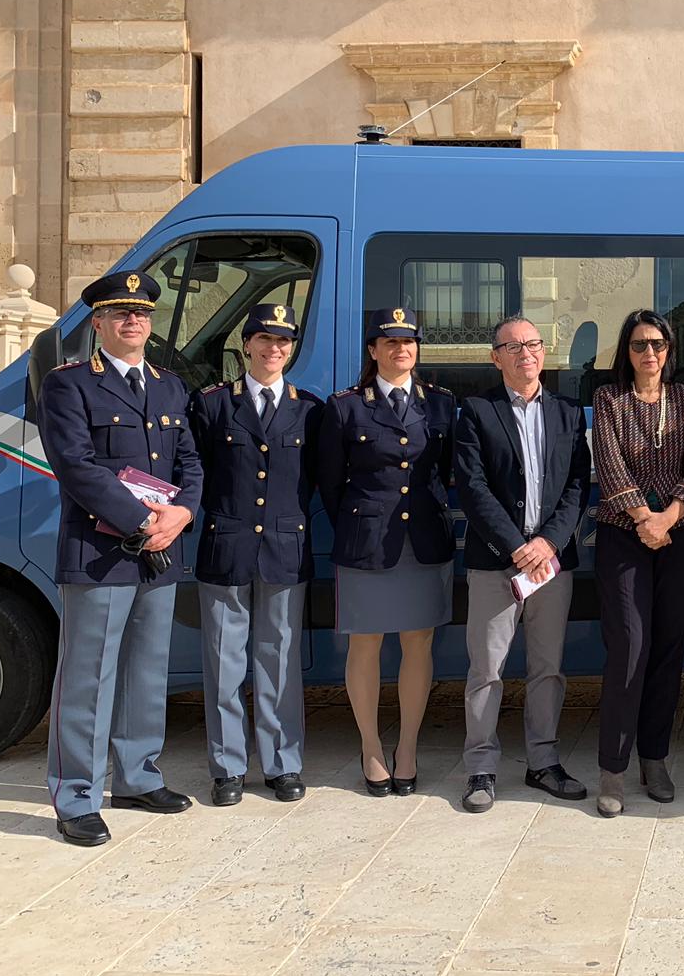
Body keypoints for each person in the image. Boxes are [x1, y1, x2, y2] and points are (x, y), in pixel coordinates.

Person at [39, 269, 203, 846]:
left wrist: (181, 514)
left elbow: (190, 462)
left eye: (141, 313)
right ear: (99, 323)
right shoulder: (69, 385)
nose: (133, 320)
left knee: (145, 671)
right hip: (100, 552)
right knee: (87, 677)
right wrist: (143, 520)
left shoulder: (170, 386)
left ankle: (138, 776)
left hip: (159, 551)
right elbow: (75, 465)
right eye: (120, 312)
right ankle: (76, 795)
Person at [453, 314, 592, 813]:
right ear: (496, 358)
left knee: (548, 668)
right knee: (486, 669)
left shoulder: (568, 413)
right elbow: (472, 487)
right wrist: (517, 547)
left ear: (543, 352)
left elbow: (577, 485)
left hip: (551, 563)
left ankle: (543, 762)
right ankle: (480, 768)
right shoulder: (476, 411)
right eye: (512, 347)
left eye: (532, 344)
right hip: (497, 562)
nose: (525, 353)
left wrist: (548, 542)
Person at [318, 306, 456, 798]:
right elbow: (330, 485)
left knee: (419, 642)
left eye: (409, 342)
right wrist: (363, 524)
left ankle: (409, 748)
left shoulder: (440, 403)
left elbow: (444, 472)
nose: (402, 350)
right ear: (373, 350)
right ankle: (372, 747)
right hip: (368, 542)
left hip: (424, 541)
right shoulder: (345, 407)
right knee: (366, 644)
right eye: (391, 342)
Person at [189, 304, 323, 807]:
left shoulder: (309, 409)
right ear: (246, 345)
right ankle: (227, 768)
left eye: (283, 341)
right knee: (223, 664)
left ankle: (282, 764)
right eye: (264, 339)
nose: (274, 348)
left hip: (285, 549)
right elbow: (196, 474)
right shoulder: (213, 404)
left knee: (279, 662)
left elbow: (316, 480)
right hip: (227, 546)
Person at [592, 309, 684, 817]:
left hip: (682, 535)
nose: (649, 352)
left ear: (669, 350)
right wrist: (645, 518)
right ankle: (613, 768)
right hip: (624, 535)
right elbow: (609, 464)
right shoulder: (609, 399)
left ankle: (654, 758)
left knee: (668, 647)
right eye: (639, 344)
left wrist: (668, 519)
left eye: (657, 344)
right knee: (629, 645)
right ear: (627, 350)